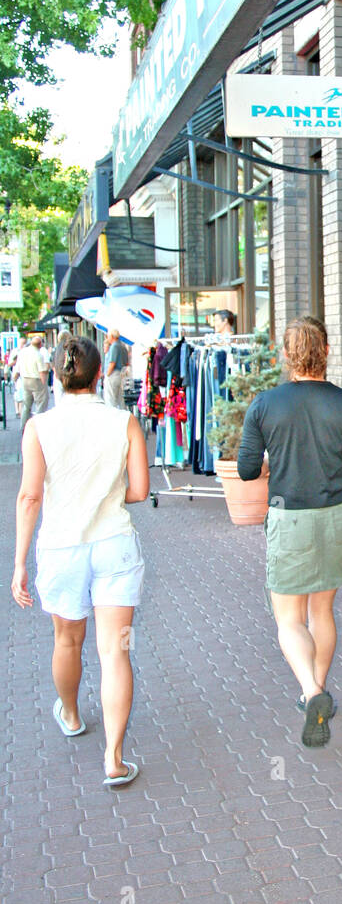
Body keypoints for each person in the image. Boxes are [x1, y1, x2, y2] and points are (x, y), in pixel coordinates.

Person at [237, 316, 342, 749]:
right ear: (326, 353)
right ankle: (317, 692)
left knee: (289, 619)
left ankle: (311, 691)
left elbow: (247, 469)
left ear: (286, 355)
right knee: (322, 612)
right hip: (340, 515)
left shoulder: (265, 405)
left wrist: (269, 461)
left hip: (291, 519)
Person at [11, 337, 150, 787]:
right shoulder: (124, 421)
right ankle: (114, 758)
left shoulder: (39, 426)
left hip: (61, 548)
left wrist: (19, 564)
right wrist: (106, 494)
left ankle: (70, 714)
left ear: (56, 375)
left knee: (67, 641)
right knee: (116, 652)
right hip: (115, 545)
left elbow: (30, 496)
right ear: (98, 375)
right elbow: (140, 491)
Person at [14, 333, 50, 425]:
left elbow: (18, 367)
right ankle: (38, 425)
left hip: (25, 379)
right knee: (41, 404)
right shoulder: (38, 354)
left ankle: (23, 425)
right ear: (40, 345)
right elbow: (42, 371)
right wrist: (44, 384)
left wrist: (15, 377)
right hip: (36, 380)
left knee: (26, 405)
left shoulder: (22, 352)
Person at [103, 329, 129, 409]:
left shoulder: (114, 346)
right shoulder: (123, 346)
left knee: (111, 400)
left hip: (113, 374)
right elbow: (126, 363)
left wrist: (107, 375)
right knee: (120, 400)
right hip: (121, 374)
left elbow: (112, 363)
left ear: (112, 336)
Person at [53, 330, 71, 403]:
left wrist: (56, 373)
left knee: (59, 399)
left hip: (57, 375)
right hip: (67, 375)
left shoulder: (56, 349)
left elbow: (53, 363)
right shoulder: (69, 346)